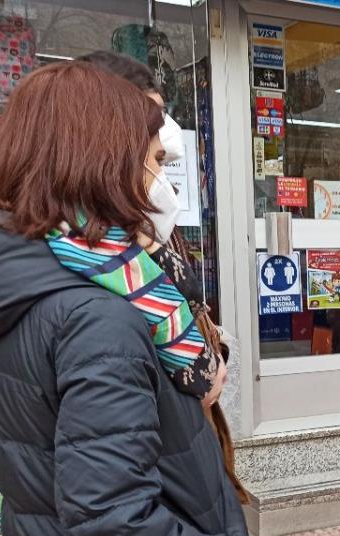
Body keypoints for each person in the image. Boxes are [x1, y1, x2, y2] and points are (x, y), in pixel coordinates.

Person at [0, 61, 283, 536]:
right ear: (100, 159)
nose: (160, 181)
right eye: (151, 158)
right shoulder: (97, 314)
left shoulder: (49, 279)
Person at [77, 50, 247, 503]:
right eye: (153, 157)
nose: (165, 184)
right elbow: (112, 507)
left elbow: (187, 309)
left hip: (186, 477)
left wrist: (212, 348)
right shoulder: (88, 276)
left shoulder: (146, 238)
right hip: (163, 521)